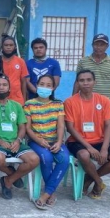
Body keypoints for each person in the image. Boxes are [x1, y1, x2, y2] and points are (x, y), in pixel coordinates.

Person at [65, 70, 110, 199]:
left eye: (89, 80)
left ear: (94, 82)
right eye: (82, 80)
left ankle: (89, 179)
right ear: (77, 83)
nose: (85, 83)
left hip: (100, 141)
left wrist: (104, 149)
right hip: (77, 141)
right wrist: (88, 147)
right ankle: (98, 182)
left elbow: (109, 125)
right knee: (84, 154)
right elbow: (70, 128)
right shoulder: (69, 102)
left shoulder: (103, 100)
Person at [0, 75, 39, 200]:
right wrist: (0, 141)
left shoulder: (17, 106)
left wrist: (18, 141)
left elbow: (22, 127)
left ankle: (8, 180)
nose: (1, 87)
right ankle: (11, 172)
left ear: (9, 88)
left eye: (4, 85)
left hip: (15, 142)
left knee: (34, 159)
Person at [24, 75, 69, 209]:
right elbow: (27, 127)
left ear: (53, 88)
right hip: (36, 142)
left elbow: (61, 126)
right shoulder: (29, 104)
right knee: (47, 158)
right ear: (36, 86)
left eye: (48, 85)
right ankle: (50, 193)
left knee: (64, 160)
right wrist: (38, 140)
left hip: (55, 141)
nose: (45, 87)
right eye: (42, 84)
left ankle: (47, 193)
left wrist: (59, 142)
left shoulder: (58, 104)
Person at [73, 34, 110, 106]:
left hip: (107, 100)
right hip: (87, 100)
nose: (98, 47)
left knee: (108, 118)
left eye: (102, 45)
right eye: (96, 44)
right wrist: (73, 99)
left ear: (107, 46)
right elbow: (77, 82)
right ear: (92, 45)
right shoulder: (83, 61)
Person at [0, 36, 28, 105]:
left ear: (15, 47)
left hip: (17, 99)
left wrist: (24, 100)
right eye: (6, 45)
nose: (8, 47)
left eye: (11, 45)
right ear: (2, 47)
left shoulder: (20, 61)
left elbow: (24, 82)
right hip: (1, 98)